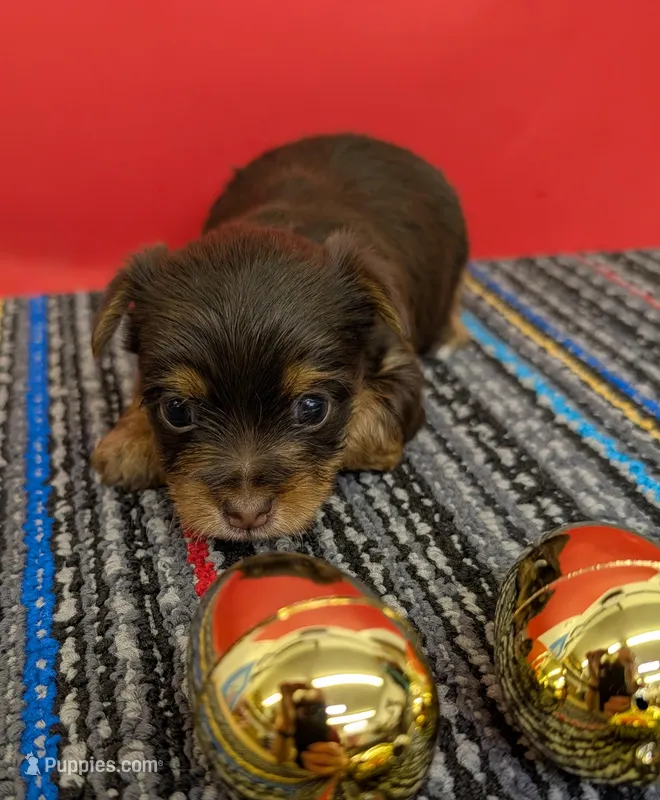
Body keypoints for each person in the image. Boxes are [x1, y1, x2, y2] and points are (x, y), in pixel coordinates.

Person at [272, 683, 349, 776]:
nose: (310, 716)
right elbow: (280, 759)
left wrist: (341, 764)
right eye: (304, 711)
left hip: (324, 778)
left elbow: (341, 756)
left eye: (317, 709)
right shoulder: (290, 731)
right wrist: (286, 701)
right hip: (298, 774)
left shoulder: (332, 732)